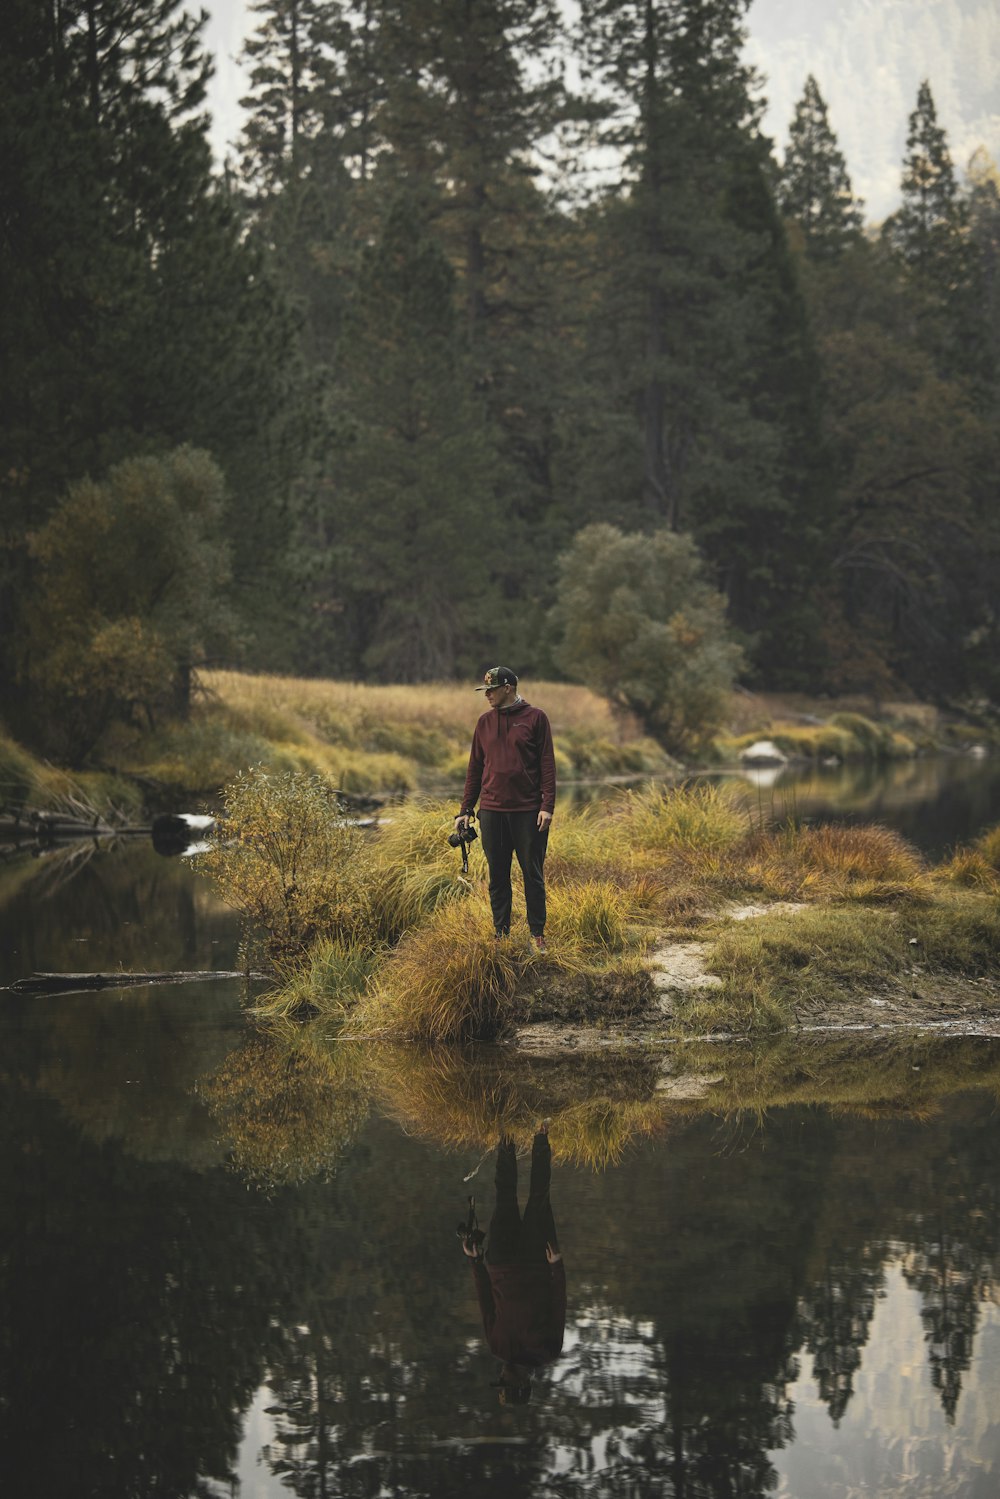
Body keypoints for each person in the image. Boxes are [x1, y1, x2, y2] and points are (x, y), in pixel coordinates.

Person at [461, 1126, 565, 1405]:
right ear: (520, 1384)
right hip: (537, 1261)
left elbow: (484, 1299)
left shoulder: (497, 1347)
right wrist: (556, 1265)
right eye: (505, 1382)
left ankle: (507, 1131)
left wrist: (474, 1260)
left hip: (500, 1260)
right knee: (539, 1195)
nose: (502, 1375)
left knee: (503, 1194)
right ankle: (541, 1132)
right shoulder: (548, 1352)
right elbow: (558, 1304)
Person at [455, 666, 556, 949]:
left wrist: (547, 805)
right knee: (497, 876)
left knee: (532, 874)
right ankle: (501, 934)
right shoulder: (484, 723)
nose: (487, 694)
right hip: (492, 811)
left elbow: (547, 764)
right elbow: (474, 768)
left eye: (492, 689)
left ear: (508, 688)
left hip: (528, 811)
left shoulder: (536, 718)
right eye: (485, 689)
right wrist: (465, 810)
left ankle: (537, 935)